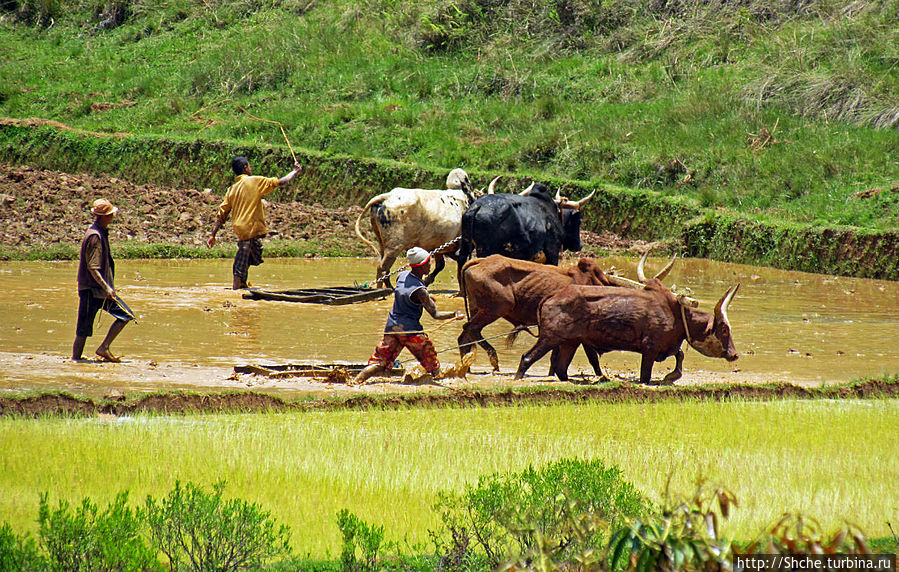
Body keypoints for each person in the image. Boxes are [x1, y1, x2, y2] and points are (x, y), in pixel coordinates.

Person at [353, 247, 463, 385]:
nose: (430, 265)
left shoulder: (402, 276)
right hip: (411, 332)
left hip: (392, 327)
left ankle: (356, 381)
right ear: (421, 265)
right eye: (428, 263)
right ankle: (440, 382)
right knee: (430, 359)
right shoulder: (421, 291)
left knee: (380, 361)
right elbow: (435, 314)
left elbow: (406, 292)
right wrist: (454, 314)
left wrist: (427, 297)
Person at [207, 156, 303, 289]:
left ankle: (242, 284)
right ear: (245, 168)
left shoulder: (232, 189)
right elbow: (280, 182)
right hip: (249, 228)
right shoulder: (254, 181)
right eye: (249, 166)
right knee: (241, 260)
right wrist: (295, 171)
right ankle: (237, 287)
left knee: (249, 255)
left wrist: (213, 235)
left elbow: (222, 213)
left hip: (240, 228)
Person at [72, 198, 133, 362]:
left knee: (126, 315)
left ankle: (102, 348)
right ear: (105, 217)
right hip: (93, 290)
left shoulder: (99, 232)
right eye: (111, 214)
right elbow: (93, 267)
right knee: (83, 328)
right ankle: (76, 360)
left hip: (98, 290)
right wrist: (106, 288)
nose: (113, 217)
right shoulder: (95, 237)